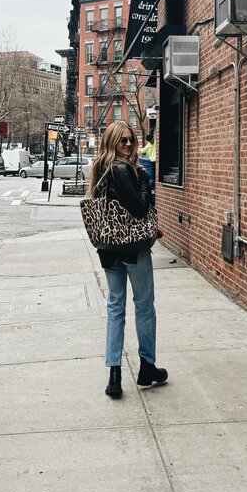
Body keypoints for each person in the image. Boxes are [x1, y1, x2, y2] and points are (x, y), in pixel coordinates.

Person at [87, 121, 167, 399]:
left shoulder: (99, 169)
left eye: (132, 139)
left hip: (108, 249)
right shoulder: (123, 169)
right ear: (112, 142)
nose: (130, 144)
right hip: (132, 249)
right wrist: (144, 180)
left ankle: (114, 375)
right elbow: (139, 208)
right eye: (123, 140)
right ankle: (147, 366)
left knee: (115, 308)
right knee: (144, 306)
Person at [137, 124, 156, 194]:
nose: (151, 142)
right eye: (149, 141)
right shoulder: (148, 145)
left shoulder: (156, 142)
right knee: (152, 175)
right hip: (152, 161)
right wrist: (137, 147)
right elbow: (142, 151)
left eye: (151, 140)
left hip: (157, 161)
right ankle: (153, 188)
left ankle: (154, 188)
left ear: (153, 138)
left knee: (154, 175)